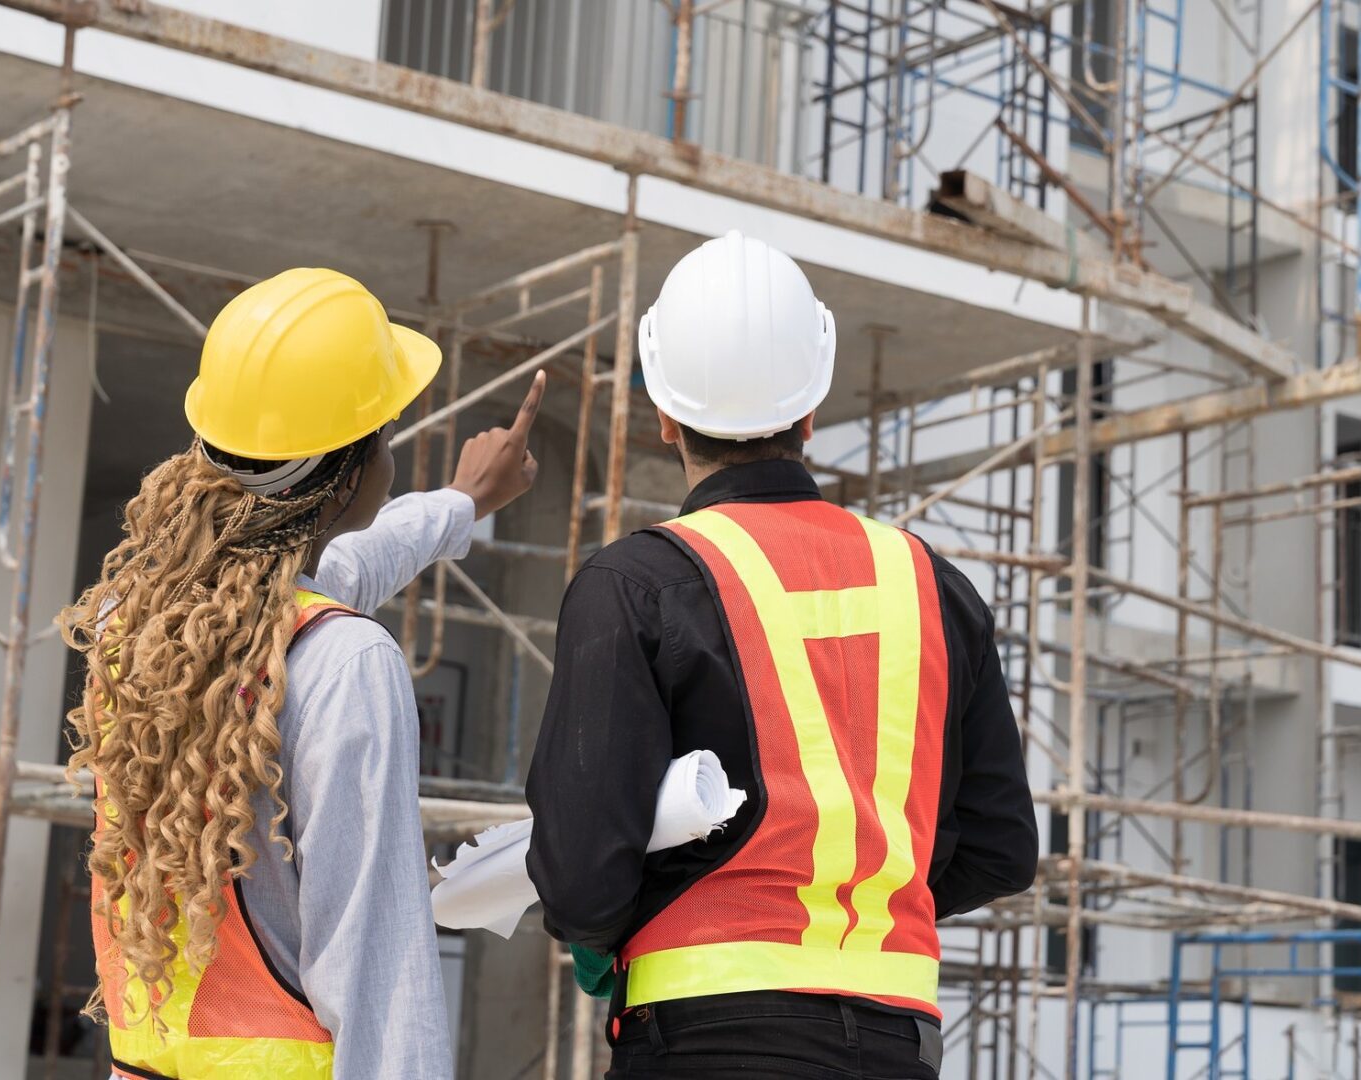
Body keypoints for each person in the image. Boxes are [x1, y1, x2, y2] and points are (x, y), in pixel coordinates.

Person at [526, 232, 1038, 1079]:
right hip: (896, 1041)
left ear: (662, 413)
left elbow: (582, 886)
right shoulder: (932, 585)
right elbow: (1001, 850)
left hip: (702, 1039)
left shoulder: (634, 585)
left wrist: (632, 919)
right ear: (811, 409)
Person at [63, 267, 545, 1080]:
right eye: (386, 436)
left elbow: (329, 571)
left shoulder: (135, 624)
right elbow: (378, 971)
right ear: (352, 475)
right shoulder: (344, 661)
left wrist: (460, 504)